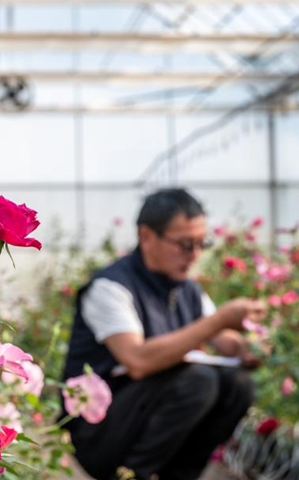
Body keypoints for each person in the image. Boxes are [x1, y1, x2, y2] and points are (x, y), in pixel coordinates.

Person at [62, 188, 266, 480]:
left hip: (142, 420)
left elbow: (225, 342)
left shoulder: (186, 289)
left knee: (238, 384)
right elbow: (137, 360)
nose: (194, 255)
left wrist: (251, 347)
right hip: (99, 433)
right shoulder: (110, 287)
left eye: (200, 243)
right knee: (198, 380)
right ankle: (130, 476)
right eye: (184, 244)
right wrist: (220, 319)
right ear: (146, 236)